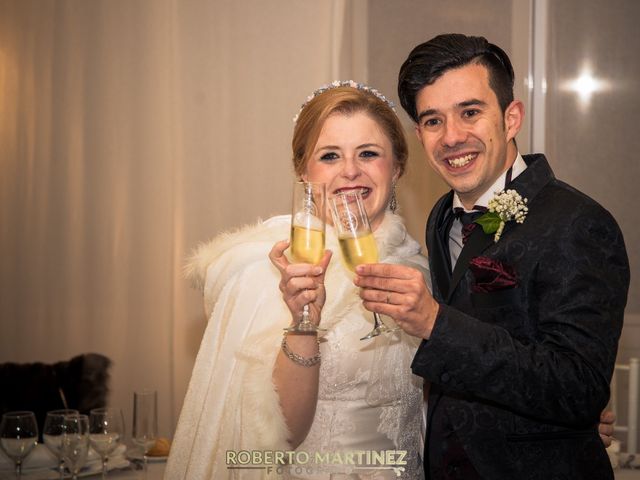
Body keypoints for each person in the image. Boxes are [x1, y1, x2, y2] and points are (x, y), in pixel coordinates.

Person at [354, 34, 630, 479]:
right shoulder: (441, 217)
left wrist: (434, 324)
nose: (452, 137)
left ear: (511, 117)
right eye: (432, 121)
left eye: (470, 112)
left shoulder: (579, 222)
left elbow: (579, 387)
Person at [165, 81, 429, 479]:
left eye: (369, 153)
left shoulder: (423, 270)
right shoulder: (271, 269)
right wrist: (305, 320)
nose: (351, 171)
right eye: (330, 156)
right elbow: (279, 437)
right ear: (304, 172)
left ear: (397, 167)